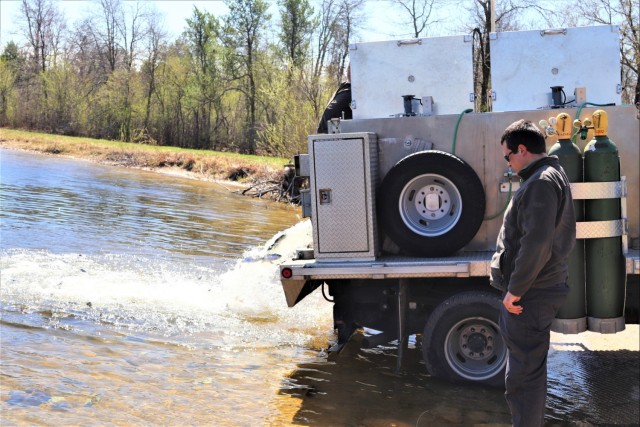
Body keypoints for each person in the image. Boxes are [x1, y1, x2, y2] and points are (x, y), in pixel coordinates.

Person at [490, 119, 576, 427]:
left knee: (523, 380)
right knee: (527, 373)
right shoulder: (549, 175)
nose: (508, 163)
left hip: (530, 296)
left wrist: (515, 290)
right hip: (536, 291)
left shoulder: (540, 182)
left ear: (522, 150)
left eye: (508, 156)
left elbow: (537, 242)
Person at [317, 64, 352, 133]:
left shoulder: (357, 90)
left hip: (341, 134)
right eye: (348, 69)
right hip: (327, 132)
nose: (349, 72)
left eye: (352, 69)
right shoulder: (344, 86)